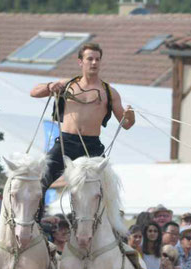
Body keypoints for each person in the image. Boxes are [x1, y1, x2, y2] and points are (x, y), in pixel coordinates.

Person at [31, 43, 136, 194]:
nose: (94, 63)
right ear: (80, 62)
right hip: (65, 143)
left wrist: (130, 115)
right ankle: (35, 217)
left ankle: (101, 218)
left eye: (97, 59)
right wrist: (49, 86)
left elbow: (126, 124)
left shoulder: (109, 92)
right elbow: (34, 92)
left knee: (104, 189)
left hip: (91, 145)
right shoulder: (67, 85)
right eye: (90, 59)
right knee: (40, 184)